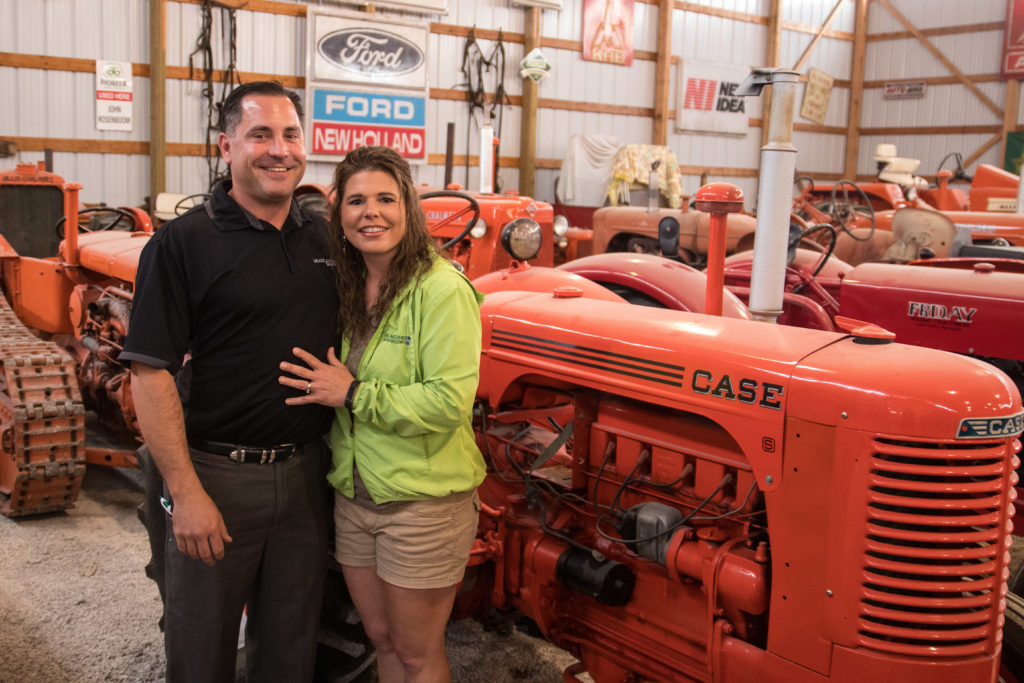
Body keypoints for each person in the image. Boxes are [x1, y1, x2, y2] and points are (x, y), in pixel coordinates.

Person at [121, 80, 339, 683]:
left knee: (291, 650)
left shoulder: (326, 240)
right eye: (260, 134)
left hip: (304, 476)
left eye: (291, 134)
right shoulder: (182, 244)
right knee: (201, 648)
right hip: (215, 475)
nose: (279, 150)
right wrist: (185, 493)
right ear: (226, 146)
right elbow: (149, 370)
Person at [279, 145, 486, 683]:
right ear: (338, 215)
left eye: (386, 198)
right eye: (356, 201)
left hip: (422, 505)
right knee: (382, 641)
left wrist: (352, 395)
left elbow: (447, 402)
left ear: (409, 207)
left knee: (417, 653)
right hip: (355, 496)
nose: (371, 212)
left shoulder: (441, 289)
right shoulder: (348, 284)